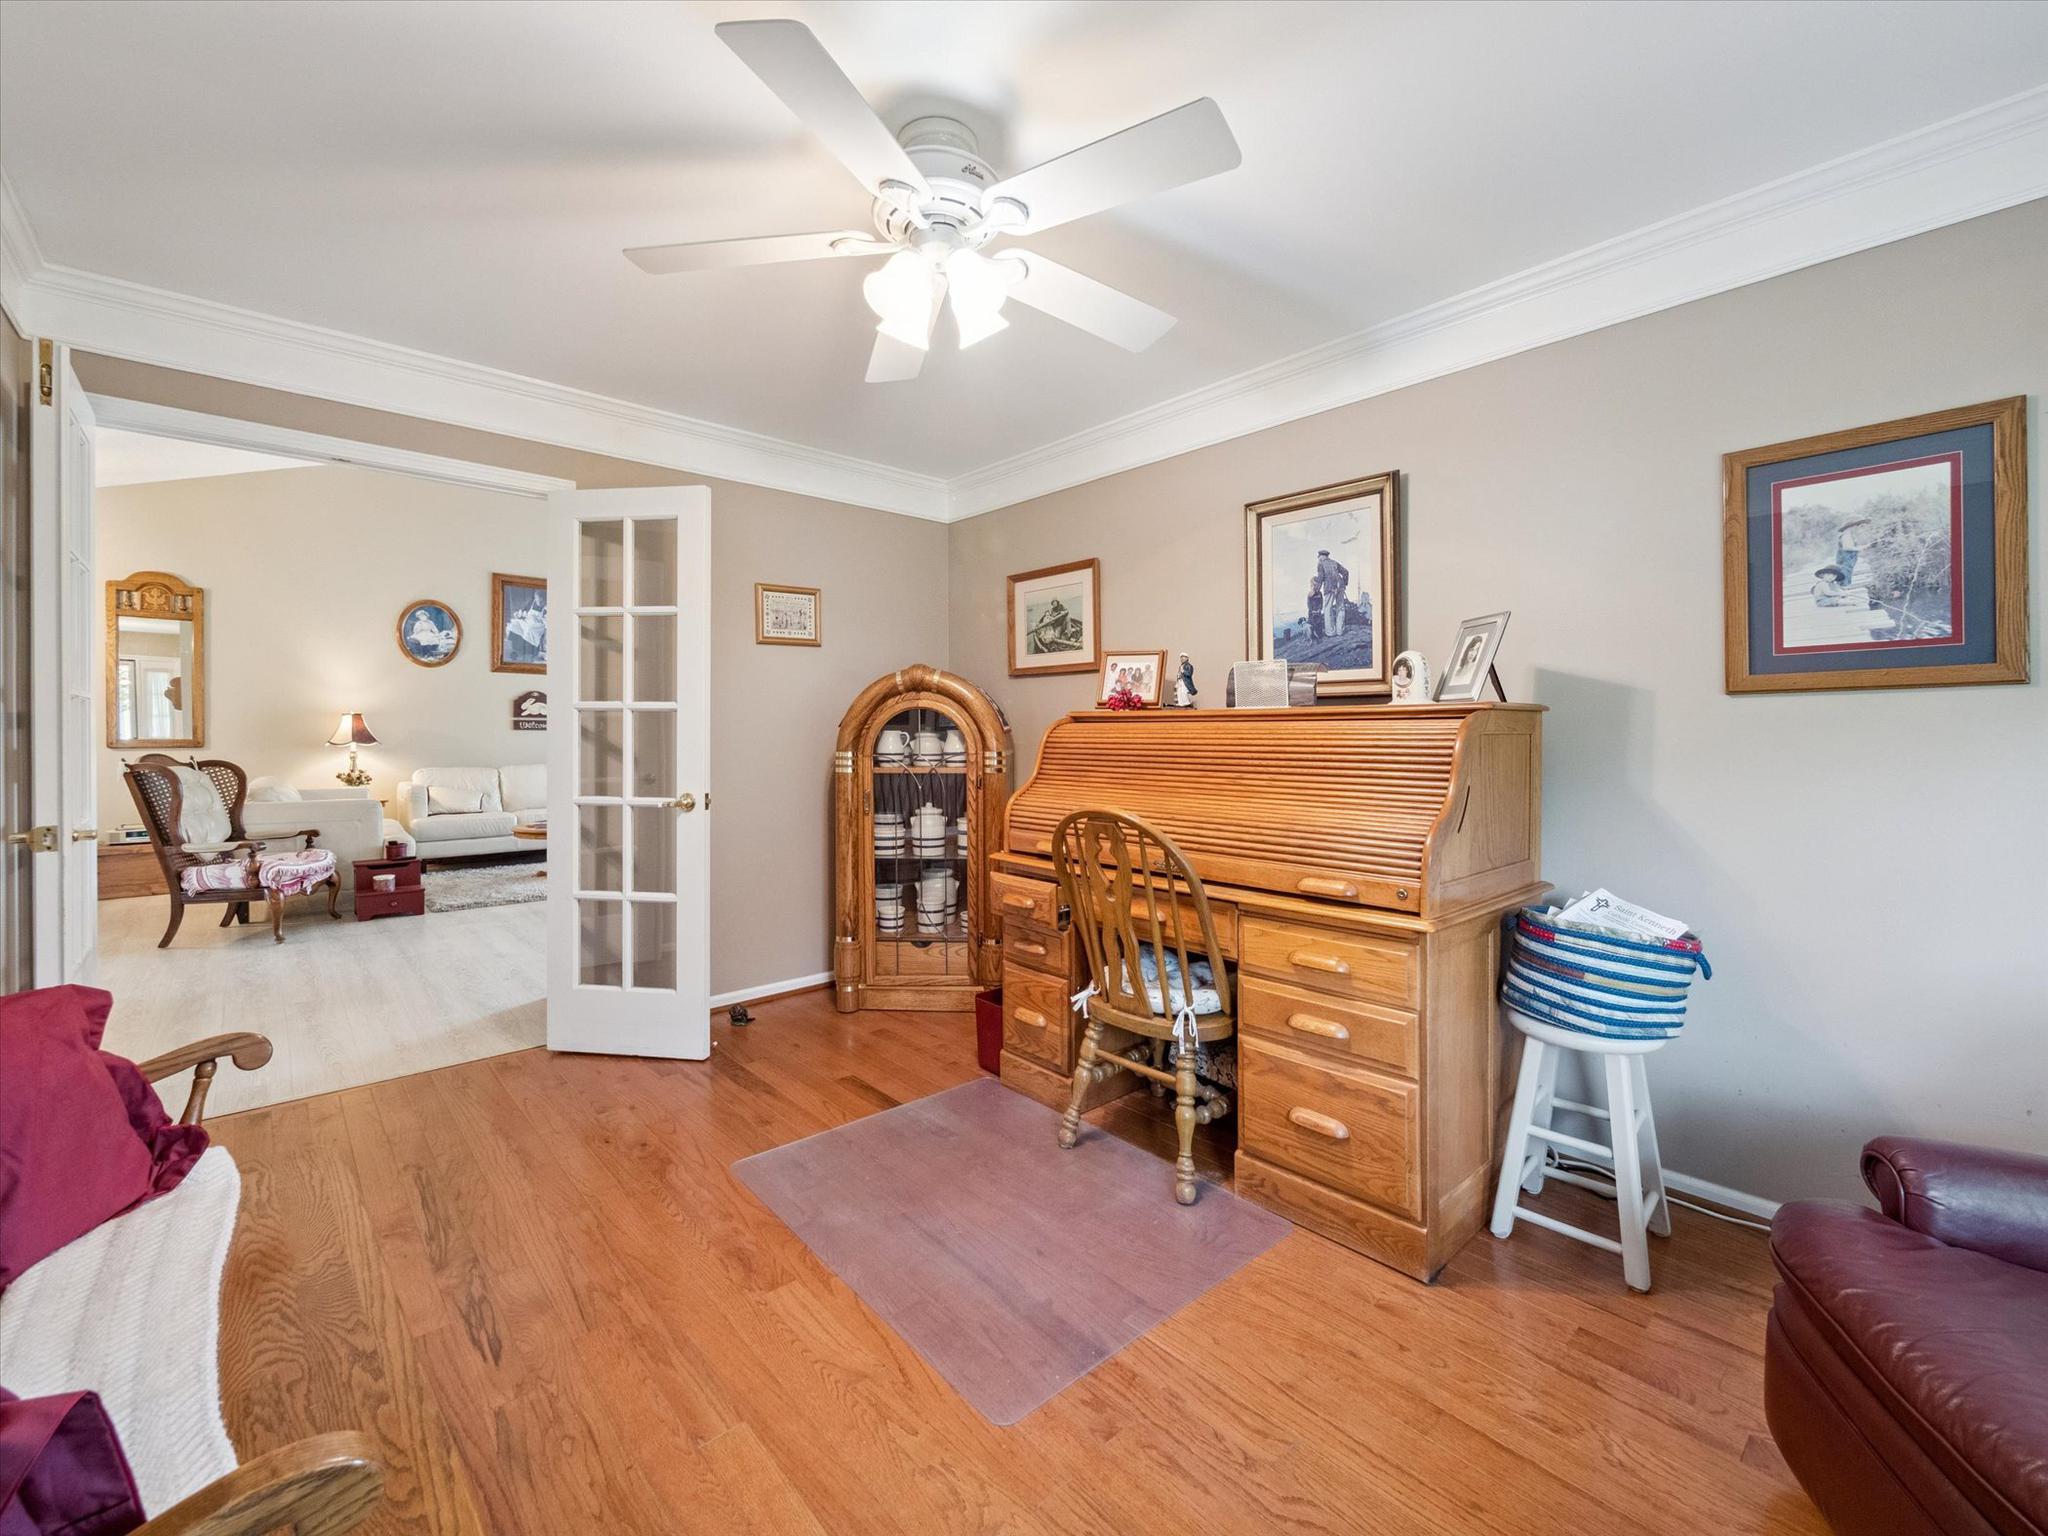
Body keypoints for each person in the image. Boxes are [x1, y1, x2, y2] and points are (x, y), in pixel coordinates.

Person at [1315, 549, 1350, 637]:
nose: (1318, 558)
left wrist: (1316, 589)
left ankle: (1330, 632)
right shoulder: (1334, 562)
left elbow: (1320, 578)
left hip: (1329, 588)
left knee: (1328, 608)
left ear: (1322, 556)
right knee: (1340, 607)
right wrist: (1344, 583)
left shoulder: (1320, 564)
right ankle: (1340, 631)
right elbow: (1346, 572)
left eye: (1319, 556)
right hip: (1340, 587)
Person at [1835, 518, 1868, 584]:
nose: (1856, 528)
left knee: (1847, 573)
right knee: (1845, 574)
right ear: (1851, 527)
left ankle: (1844, 585)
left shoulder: (1849, 535)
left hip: (1847, 560)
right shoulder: (1846, 535)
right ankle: (1844, 586)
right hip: (1845, 560)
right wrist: (1860, 548)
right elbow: (1847, 547)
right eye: (1856, 526)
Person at [1305, 575, 1325, 642]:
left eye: (1317, 585)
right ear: (1312, 585)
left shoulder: (1320, 593)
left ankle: (1320, 635)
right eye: (1314, 585)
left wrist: (1320, 609)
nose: (1316, 586)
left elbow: (1321, 602)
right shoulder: (1310, 594)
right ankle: (1312, 636)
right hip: (1312, 612)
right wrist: (1312, 610)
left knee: (1319, 623)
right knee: (1312, 624)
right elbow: (1308, 604)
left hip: (1318, 611)